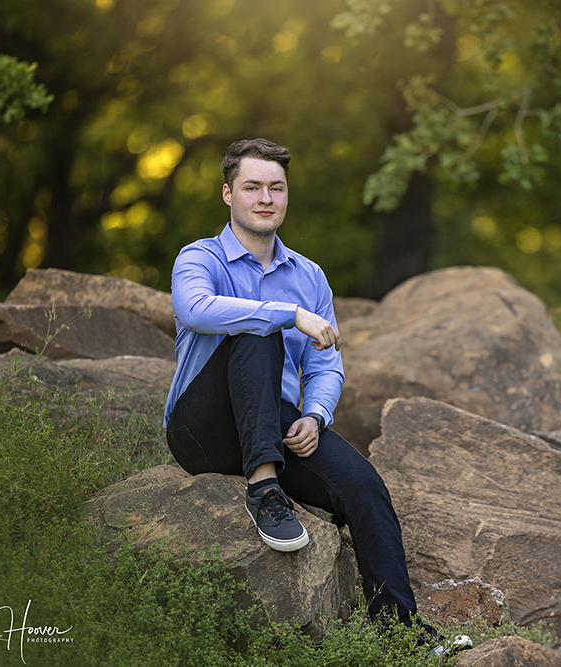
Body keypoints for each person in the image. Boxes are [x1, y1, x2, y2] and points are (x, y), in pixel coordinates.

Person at [162, 138, 419, 627]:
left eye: (275, 188)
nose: (265, 198)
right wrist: (287, 314)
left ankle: (400, 632)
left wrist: (315, 415)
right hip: (204, 427)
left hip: (275, 426)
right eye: (252, 187)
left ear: (286, 195)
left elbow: (326, 364)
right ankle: (264, 489)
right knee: (258, 333)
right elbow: (194, 309)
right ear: (227, 194)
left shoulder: (309, 276)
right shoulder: (199, 259)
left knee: (364, 486)